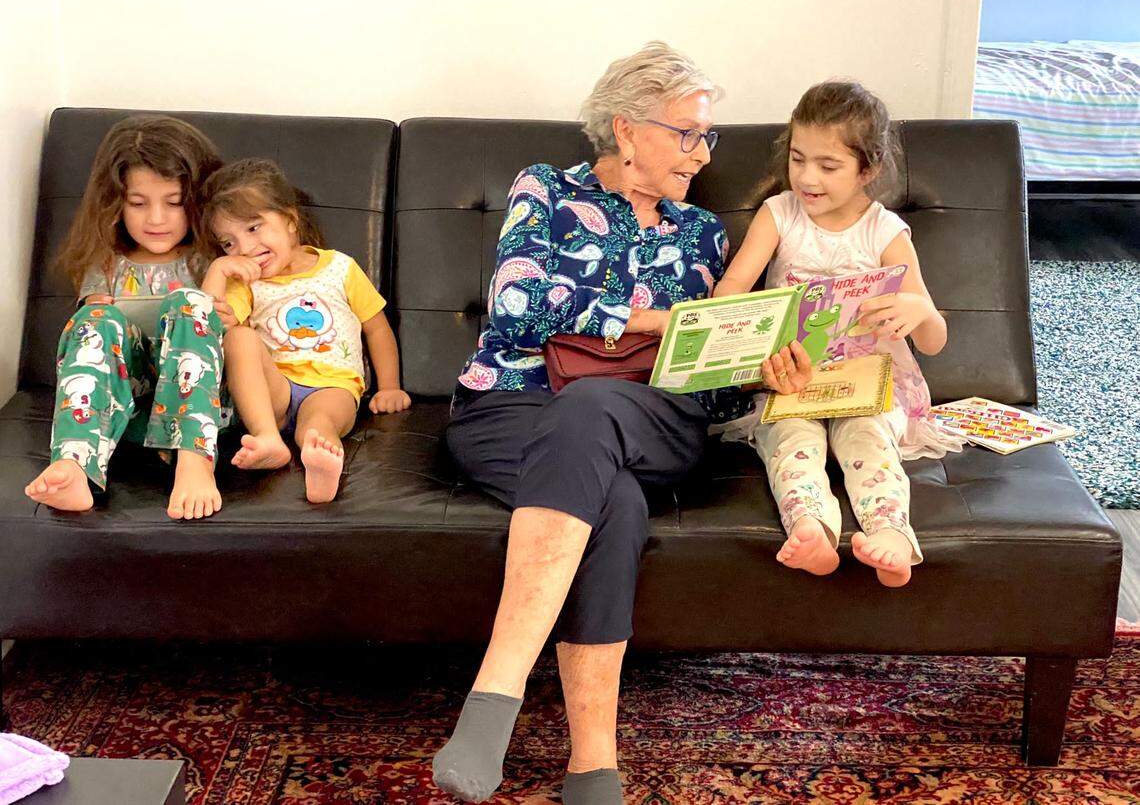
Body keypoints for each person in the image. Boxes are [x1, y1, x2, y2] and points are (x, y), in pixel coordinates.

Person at [431, 42, 810, 805]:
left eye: (709, 136)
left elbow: (707, 381)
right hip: (509, 403)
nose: (702, 153)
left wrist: (755, 364)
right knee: (616, 499)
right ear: (626, 128)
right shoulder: (544, 186)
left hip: (651, 417)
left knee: (595, 406)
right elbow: (517, 310)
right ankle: (592, 764)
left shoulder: (703, 233)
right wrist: (657, 317)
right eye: (687, 133)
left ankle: (493, 696)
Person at [712, 81, 965, 588]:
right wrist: (738, 325)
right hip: (792, 382)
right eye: (798, 159)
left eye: (828, 167)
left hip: (867, 387)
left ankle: (892, 536)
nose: (807, 178)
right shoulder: (779, 214)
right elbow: (731, 291)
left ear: (866, 170)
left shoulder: (883, 231)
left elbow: (934, 338)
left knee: (868, 439)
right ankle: (811, 531)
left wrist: (916, 309)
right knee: (788, 441)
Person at [24, 115, 228, 520]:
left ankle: (195, 462)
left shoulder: (211, 260)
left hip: (201, 410)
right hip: (125, 414)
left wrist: (221, 308)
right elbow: (96, 337)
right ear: (115, 204)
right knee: (96, 318)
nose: (156, 219)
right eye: (138, 203)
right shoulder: (106, 264)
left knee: (191, 304)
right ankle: (76, 464)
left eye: (173, 203)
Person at [199, 158, 410, 504]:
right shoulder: (244, 283)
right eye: (228, 243)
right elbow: (204, 326)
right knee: (239, 336)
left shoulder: (340, 268)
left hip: (332, 385)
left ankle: (322, 462)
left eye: (254, 228)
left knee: (317, 424)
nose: (246, 249)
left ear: (291, 220)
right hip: (273, 392)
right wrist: (220, 271)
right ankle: (268, 438)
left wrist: (389, 388)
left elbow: (376, 327)